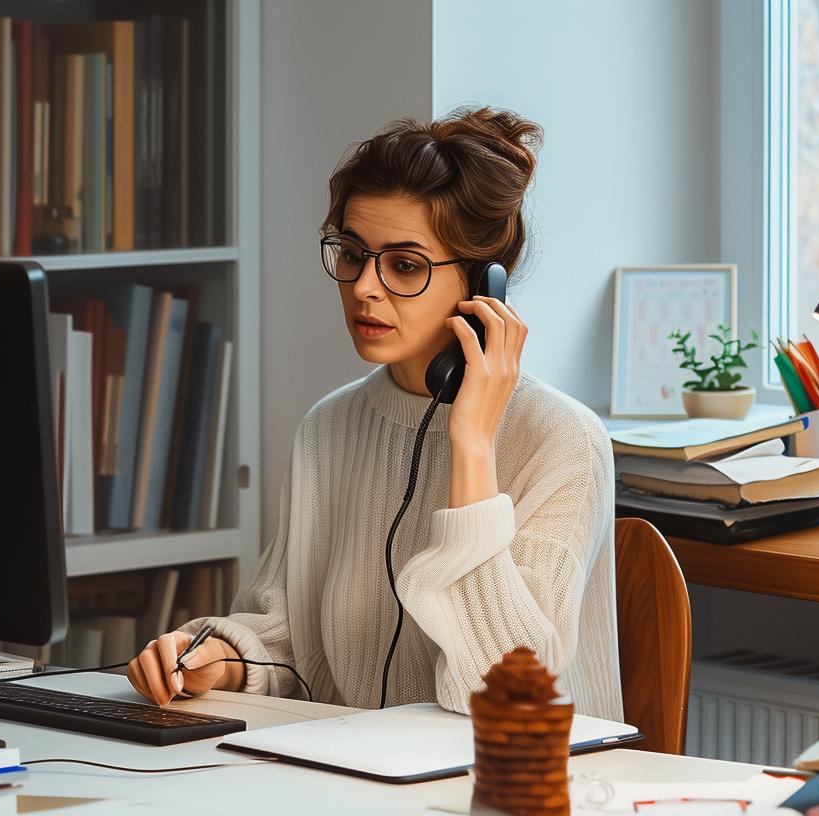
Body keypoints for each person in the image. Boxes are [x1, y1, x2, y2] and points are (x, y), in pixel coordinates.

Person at [127, 106, 622, 719]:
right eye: (354, 255)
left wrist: (471, 444)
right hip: (348, 780)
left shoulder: (562, 441)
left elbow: (507, 693)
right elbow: (287, 637)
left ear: (481, 286)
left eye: (405, 265)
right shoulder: (330, 429)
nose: (365, 286)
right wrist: (218, 659)